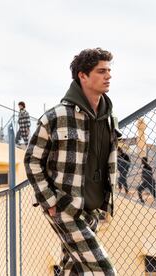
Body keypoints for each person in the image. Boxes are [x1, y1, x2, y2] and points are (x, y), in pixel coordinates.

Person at [24, 48, 118, 275]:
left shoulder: (110, 118)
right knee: (103, 270)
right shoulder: (56, 117)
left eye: (109, 71)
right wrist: (51, 202)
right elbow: (32, 161)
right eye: (101, 71)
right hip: (65, 206)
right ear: (82, 76)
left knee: (74, 269)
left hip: (93, 209)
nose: (108, 76)